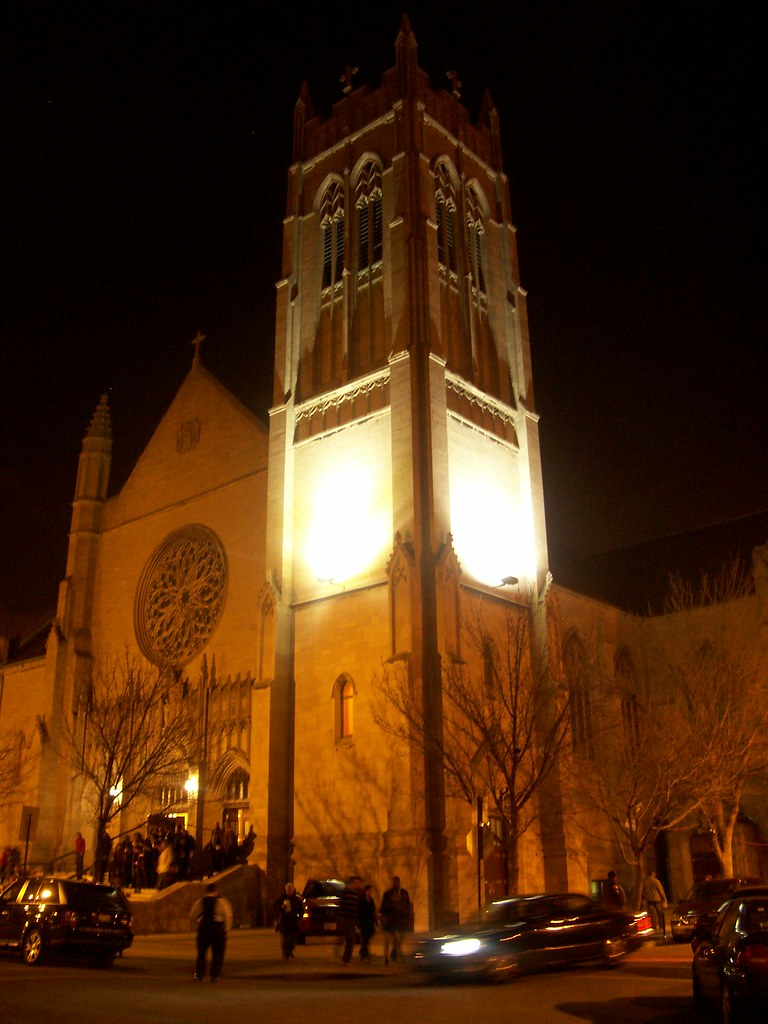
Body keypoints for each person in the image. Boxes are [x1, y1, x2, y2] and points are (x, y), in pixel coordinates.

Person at [191, 881, 233, 982]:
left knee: (201, 953)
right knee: (217, 953)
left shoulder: (200, 901)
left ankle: (199, 975)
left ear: (206, 891)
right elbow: (228, 916)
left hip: (204, 928)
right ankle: (215, 976)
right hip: (217, 928)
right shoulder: (221, 902)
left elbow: (192, 915)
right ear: (216, 891)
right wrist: (226, 929)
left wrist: (196, 926)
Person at [380, 875, 412, 964]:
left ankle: (394, 952)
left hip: (402, 918)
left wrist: (408, 916)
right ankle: (398, 955)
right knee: (395, 938)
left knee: (400, 937)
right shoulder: (388, 894)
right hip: (392, 918)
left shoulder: (404, 893)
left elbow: (408, 905)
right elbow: (384, 906)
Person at [338, 876, 364, 965]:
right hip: (347, 918)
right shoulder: (346, 892)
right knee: (350, 939)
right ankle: (346, 959)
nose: (358, 885)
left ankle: (346, 958)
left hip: (352, 919)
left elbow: (358, 907)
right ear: (352, 883)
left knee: (350, 939)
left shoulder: (357, 894)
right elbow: (342, 906)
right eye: (357, 883)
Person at [273, 882, 302, 959]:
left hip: (293, 921)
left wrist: (300, 917)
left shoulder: (296, 899)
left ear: (293, 890)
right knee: (284, 939)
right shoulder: (282, 898)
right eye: (287, 889)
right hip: (284, 921)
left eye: (290, 889)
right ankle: (285, 953)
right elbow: (275, 907)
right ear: (285, 890)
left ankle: (289, 951)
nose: (289, 891)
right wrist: (281, 907)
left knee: (293, 939)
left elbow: (301, 909)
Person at [642, 869, 668, 937]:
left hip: (649, 900)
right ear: (653, 873)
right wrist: (664, 899)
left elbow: (643, 892)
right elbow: (660, 890)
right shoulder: (656, 881)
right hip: (656, 900)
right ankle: (661, 927)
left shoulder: (645, 882)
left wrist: (646, 897)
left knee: (652, 914)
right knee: (659, 913)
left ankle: (654, 927)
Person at [358, 883, 378, 961]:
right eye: (369, 890)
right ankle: (364, 953)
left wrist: (375, 920)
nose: (370, 892)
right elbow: (360, 910)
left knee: (368, 936)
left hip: (370, 921)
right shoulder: (362, 899)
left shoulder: (371, 899)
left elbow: (373, 910)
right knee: (365, 937)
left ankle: (363, 951)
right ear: (366, 891)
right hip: (364, 920)